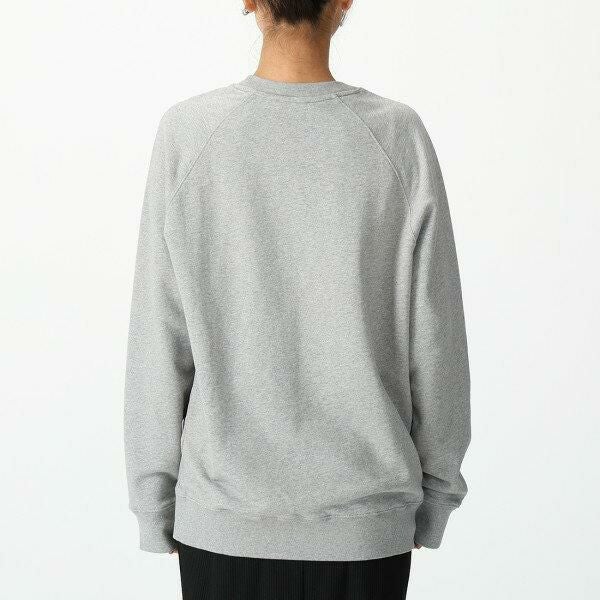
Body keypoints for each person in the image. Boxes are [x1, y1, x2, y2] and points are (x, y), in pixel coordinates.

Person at [123, 0, 471, 598]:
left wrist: (154, 502)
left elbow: (159, 335)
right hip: (365, 526)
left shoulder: (190, 132)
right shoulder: (396, 136)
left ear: (249, 0)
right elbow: (435, 336)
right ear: (345, 0)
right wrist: (437, 494)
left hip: (223, 523)